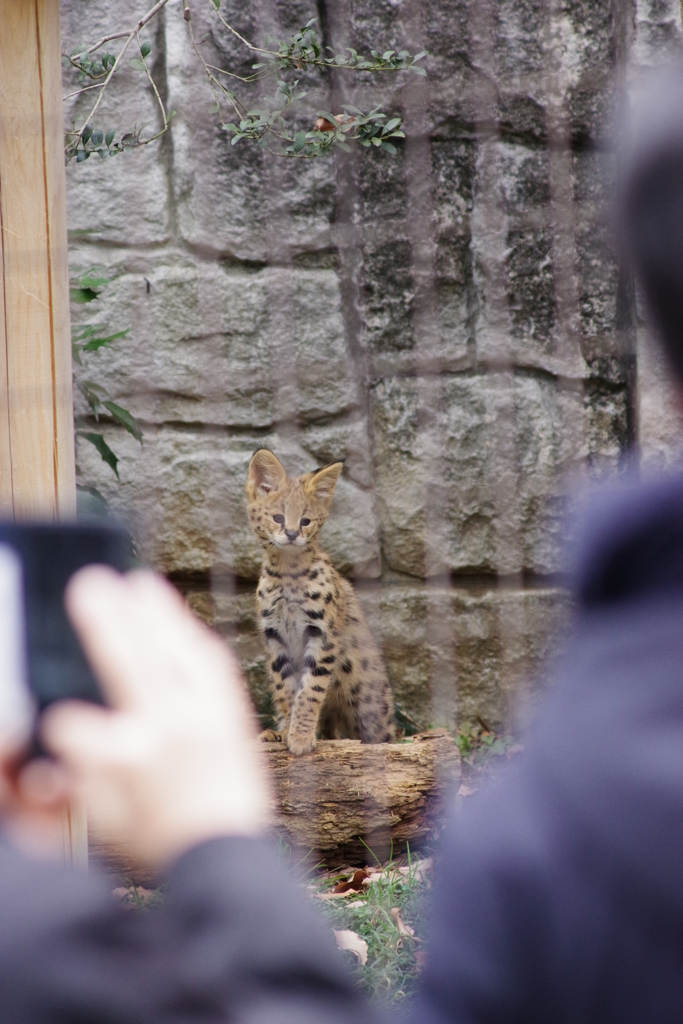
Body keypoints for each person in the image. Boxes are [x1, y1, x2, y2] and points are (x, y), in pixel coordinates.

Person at [5, 64, 683, 1024]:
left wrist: (209, 851)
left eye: (302, 516)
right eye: (276, 514)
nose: (288, 526)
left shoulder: (552, 820)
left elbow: (317, 668)